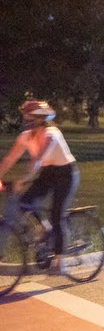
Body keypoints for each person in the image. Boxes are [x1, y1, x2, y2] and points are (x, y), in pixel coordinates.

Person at [0, 100, 79, 273]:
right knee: (24, 202)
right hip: (48, 172)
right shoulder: (26, 136)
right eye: (26, 117)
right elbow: (9, 159)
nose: (28, 120)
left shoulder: (52, 134)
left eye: (32, 117)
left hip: (66, 174)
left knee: (56, 214)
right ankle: (45, 227)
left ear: (42, 118)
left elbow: (38, 160)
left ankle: (60, 261)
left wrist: (24, 179)